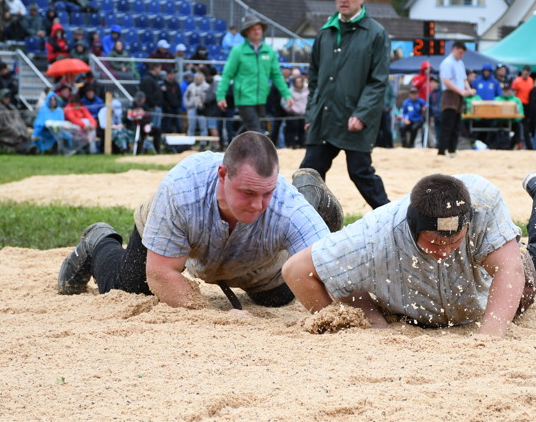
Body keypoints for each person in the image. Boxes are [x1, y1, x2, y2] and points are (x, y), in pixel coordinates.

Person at [282, 171, 536, 338]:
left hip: (484, 283)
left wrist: (489, 339)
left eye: (453, 241)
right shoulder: (373, 236)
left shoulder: (483, 203)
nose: (444, 251)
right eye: (434, 244)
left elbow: (508, 269)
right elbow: (296, 270)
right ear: (412, 228)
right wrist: (354, 320)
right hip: (416, 310)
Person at [55, 131, 341, 314]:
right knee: (129, 286)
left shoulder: (285, 204)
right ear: (222, 175)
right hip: (178, 231)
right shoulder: (181, 189)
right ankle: (100, 241)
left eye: (266, 194)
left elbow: (330, 271)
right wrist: (210, 317)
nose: (257, 204)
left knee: (277, 297)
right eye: (248, 193)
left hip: (253, 250)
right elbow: (161, 273)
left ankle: (312, 200)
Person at [299, 0, 391, 210]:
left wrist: (362, 114)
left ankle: (391, 219)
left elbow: (378, 81)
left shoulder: (376, 33)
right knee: (309, 172)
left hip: (356, 117)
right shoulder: (325, 32)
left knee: (360, 173)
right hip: (324, 116)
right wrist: (311, 114)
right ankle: (309, 222)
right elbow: (314, 78)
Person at [215, 15, 291, 136]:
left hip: (262, 98)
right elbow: (227, 75)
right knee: (256, 131)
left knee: (251, 129)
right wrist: (220, 96)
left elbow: (276, 75)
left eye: (259, 28)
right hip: (244, 98)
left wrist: (287, 94)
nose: (257, 31)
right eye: (253, 29)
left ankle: (235, 149)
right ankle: (259, 154)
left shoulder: (269, 51)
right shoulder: (237, 51)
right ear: (247, 32)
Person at [436, 40, 474, 158]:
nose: (461, 55)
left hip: (459, 95)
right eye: (460, 52)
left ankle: (452, 150)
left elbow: (464, 79)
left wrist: (469, 90)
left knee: (456, 125)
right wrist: (461, 91)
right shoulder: (447, 63)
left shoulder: (460, 63)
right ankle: (442, 151)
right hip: (449, 95)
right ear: (454, 49)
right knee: (447, 124)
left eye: (463, 53)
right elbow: (446, 81)